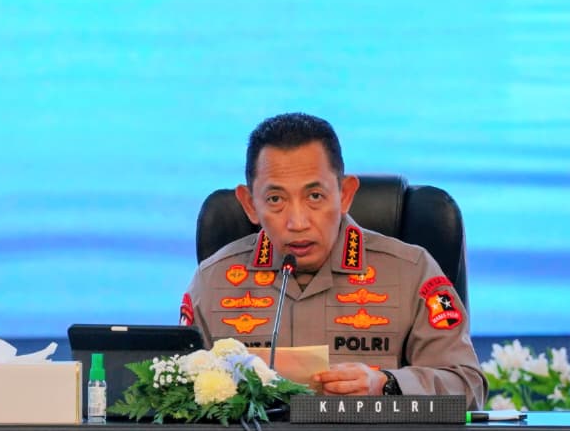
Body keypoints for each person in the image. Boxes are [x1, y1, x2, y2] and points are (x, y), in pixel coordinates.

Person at [181, 112, 486, 407]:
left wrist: (387, 384)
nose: (297, 222)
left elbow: (468, 386)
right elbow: (171, 392)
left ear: (345, 194)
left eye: (315, 196)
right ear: (250, 204)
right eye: (276, 200)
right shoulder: (212, 280)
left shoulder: (411, 271)